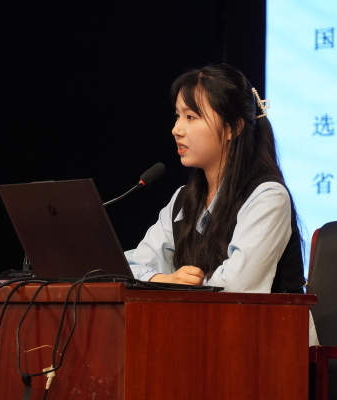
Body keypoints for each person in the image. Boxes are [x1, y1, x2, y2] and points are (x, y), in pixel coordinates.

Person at [125, 63, 308, 295]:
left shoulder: (267, 196)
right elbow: (127, 267)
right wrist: (162, 279)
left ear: (233, 127)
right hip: (203, 318)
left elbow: (236, 287)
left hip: (267, 319)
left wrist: (174, 286)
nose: (176, 129)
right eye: (178, 116)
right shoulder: (183, 199)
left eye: (191, 117)